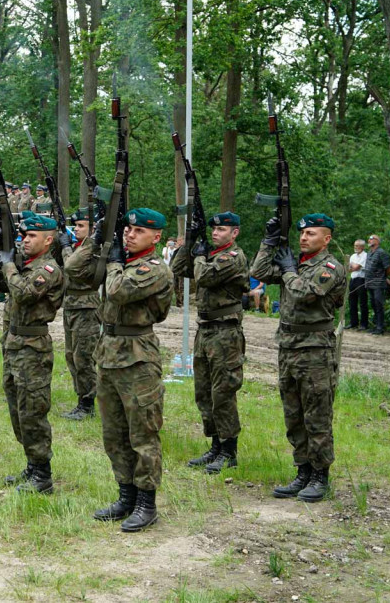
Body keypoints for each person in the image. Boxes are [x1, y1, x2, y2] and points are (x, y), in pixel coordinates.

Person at [250, 213, 346, 503]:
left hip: (316, 351)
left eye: (312, 234)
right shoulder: (298, 263)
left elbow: (305, 293)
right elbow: (259, 270)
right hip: (289, 347)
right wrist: (269, 242)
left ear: (326, 238)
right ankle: (303, 471)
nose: (304, 238)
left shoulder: (329, 267)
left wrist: (289, 270)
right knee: (294, 415)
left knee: (316, 416)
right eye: (302, 234)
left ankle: (320, 476)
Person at [91, 208, 174, 532]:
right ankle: (125, 495)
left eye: (139, 231)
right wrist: (98, 243)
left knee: (142, 433)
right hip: (109, 353)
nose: (130, 234)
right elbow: (81, 274)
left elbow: (117, 290)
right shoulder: (122, 263)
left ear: (156, 238)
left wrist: (112, 261)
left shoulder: (154, 269)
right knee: (114, 434)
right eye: (128, 229)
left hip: (138, 357)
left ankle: (146, 503)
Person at [0, 213, 65, 494]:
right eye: (24, 235)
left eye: (32, 236)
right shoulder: (22, 266)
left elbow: (24, 294)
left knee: (33, 412)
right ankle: (32, 465)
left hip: (33, 348)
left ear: (48, 240)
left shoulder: (49, 269)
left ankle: (43, 475)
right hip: (14, 344)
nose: (25, 240)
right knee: (17, 410)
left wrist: (8, 265)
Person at [171, 212, 249, 475]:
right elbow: (178, 268)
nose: (216, 233)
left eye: (222, 229)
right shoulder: (211, 256)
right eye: (213, 229)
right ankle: (216, 445)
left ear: (234, 233)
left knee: (223, 393)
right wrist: (190, 243)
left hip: (225, 333)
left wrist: (200, 256)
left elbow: (203, 276)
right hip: (205, 330)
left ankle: (229, 451)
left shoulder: (233, 258)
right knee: (203, 392)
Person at [60, 207, 100, 420]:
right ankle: (81, 399)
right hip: (71, 304)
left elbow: (71, 266)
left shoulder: (92, 249)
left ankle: (88, 403)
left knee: (83, 357)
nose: (76, 229)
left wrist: (66, 248)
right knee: (70, 355)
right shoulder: (79, 246)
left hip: (86, 307)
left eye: (81, 226)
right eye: (75, 225)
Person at [364, 234, 390, 335]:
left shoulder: (381, 252)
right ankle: (376, 326)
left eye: (372, 238)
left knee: (379, 304)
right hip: (369, 283)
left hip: (378, 283)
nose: (369, 240)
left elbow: (388, 268)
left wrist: (383, 277)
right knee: (373, 304)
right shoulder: (369, 253)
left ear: (378, 241)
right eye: (369, 239)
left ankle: (380, 327)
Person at [347, 239, 369, 330]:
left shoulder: (365, 255)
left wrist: (353, 265)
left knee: (363, 302)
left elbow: (356, 267)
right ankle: (353, 322)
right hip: (352, 279)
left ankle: (364, 324)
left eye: (358, 246)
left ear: (363, 247)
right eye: (355, 245)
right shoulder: (352, 256)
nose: (355, 247)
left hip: (361, 280)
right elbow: (348, 268)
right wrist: (353, 266)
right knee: (352, 302)